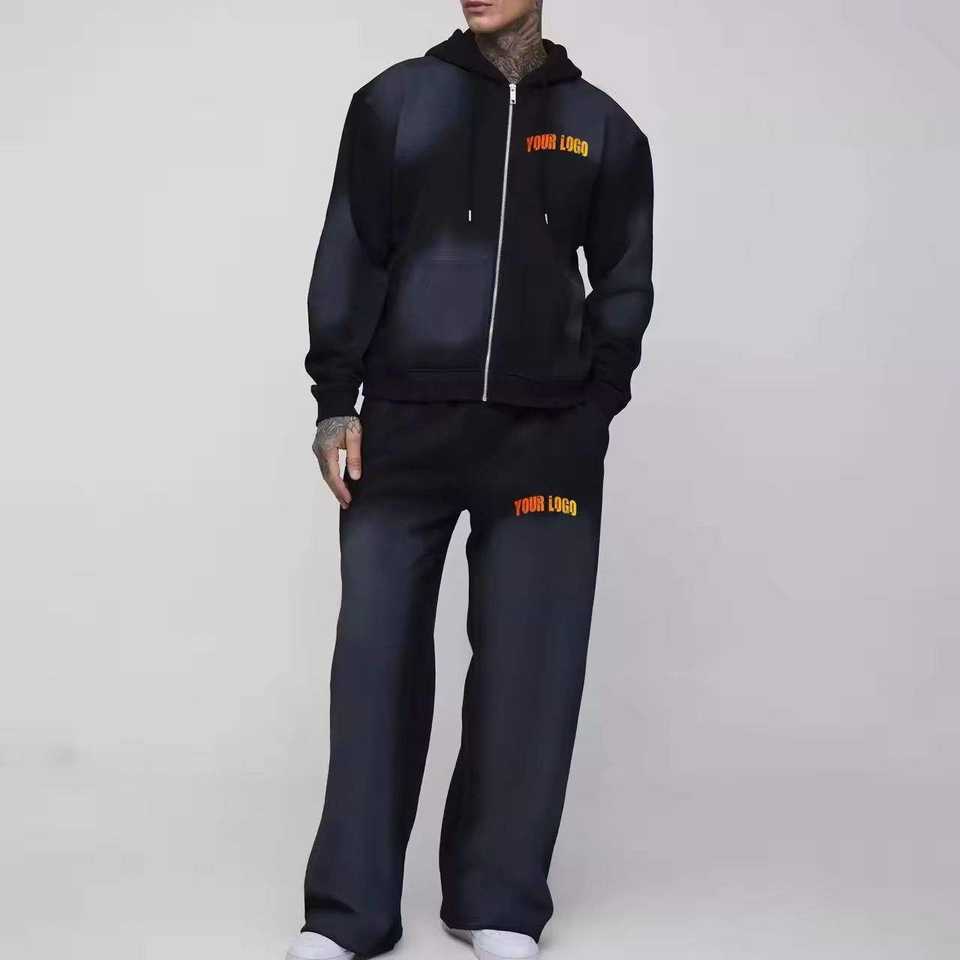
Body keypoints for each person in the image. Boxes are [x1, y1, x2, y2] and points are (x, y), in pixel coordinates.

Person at [288, 1, 654, 958]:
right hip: (403, 428)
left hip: (543, 440)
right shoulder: (395, 103)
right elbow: (351, 248)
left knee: (533, 666)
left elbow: (624, 279)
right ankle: (350, 913)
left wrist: (590, 410)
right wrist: (336, 401)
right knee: (374, 665)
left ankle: (496, 902)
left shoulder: (603, 128)